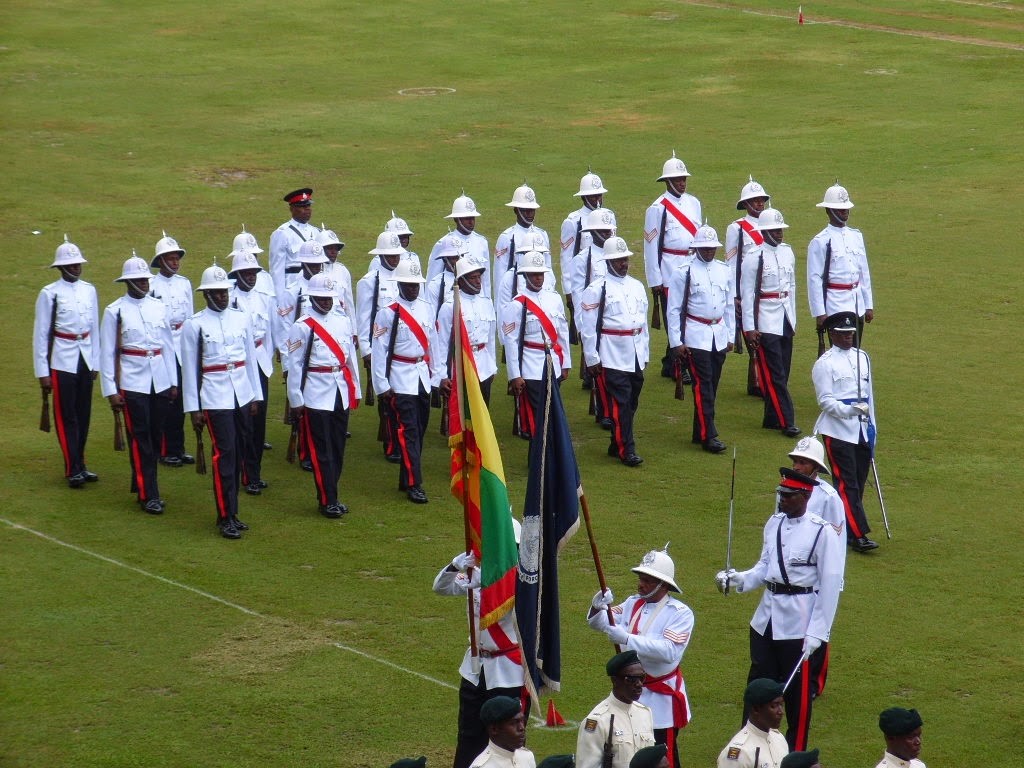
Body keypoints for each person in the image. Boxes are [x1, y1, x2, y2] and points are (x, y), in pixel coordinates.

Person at [716, 468, 845, 751]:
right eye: (780, 494)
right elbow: (766, 567)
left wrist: (817, 633)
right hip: (766, 620)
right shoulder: (773, 523)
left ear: (805, 496)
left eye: (787, 495)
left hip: (799, 623)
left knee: (797, 696)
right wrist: (740, 579)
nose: (781, 500)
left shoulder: (822, 532)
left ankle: (795, 752)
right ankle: (747, 745)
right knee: (758, 687)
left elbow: (830, 585)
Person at [588, 547, 694, 768]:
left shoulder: (680, 613)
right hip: (631, 693)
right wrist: (597, 606)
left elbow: (669, 652)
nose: (640, 584)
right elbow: (600, 624)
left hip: (660, 701)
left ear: (662, 584)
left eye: (646, 580)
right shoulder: (631, 603)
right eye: (640, 578)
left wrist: (627, 638)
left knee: (663, 759)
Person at [181, 264, 262, 539]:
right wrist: (193, 408)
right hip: (215, 397)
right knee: (224, 455)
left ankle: (232, 512)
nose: (223, 296)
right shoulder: (195, 325)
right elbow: (190, 370)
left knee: (239, 453)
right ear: (206, 295)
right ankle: (225, 515)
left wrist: (255, 396)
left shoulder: (241, 319)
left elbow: (250, 359)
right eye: (216, 292)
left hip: (241, 392)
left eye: (225, 291)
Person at [433, 537, 526, 768]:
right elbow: (440, 587)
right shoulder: (476, 573)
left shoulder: (522, 579)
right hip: (475, 666)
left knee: (507, 738)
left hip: (506, 668)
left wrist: (485, 586)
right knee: (468, 734)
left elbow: (511, 608)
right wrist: (456, 565)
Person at [100, 255, 177, 514]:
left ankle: (143, 480)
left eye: (145, 279)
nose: (144, 283)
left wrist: (173, 381)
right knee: (141, 437)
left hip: (159, 379)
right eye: (138, 280)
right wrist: (110, 390)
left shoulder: (158, 307)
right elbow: (108, 353)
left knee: (156, 436)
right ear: (128, 283)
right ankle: (149, 494)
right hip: (133, 383)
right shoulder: (115, 311)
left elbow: (167, 345)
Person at [287, 272, 361, 519]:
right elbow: (295, 365)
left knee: (338, 447)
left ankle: (331, 493)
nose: (327, 302)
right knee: (322, 451)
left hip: (339, 389)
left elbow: (350, 360)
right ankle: (327, 498)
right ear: (313, 297)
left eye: (330, 297)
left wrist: (356, 390)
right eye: (322, 297)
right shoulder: (302, 326)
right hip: (315, 393)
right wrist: (296, 399)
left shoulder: (342, 321)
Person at [33, 236, 100, 488]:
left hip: (84, 356)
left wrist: (95, 362)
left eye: (78, 264)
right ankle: (72, 467)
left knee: (84, 414)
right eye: (70, 265)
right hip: (62, 359)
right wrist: (43, 371)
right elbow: (41, 334)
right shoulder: (50, 294)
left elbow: (95, 326)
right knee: (66, 415)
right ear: (61, 267)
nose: (76, 267)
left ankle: (80, 462)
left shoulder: (89, 290)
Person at [371, 260, 439, 504]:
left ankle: (406, 478)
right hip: (400, 377)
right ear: (399, 284)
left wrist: (438, 376)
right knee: (408, 430)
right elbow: (379, 350)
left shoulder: (426, 308)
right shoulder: (387, 312)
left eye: (416, 285)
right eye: (408, 285)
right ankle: (414, 483)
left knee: (419, 431)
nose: (413, 289)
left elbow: (435, 343)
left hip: (422, 375)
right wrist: (382, 384)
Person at [578, 236, 650, 467]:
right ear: (608, 261)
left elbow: (643, 323)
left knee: (632, 400)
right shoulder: (596, 289)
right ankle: (626, 449)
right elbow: (588, 326)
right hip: (611, 352)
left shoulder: (637, 285)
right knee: (620, 401)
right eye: (618, 260)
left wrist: (645, 352)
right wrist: (592, 357)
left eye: (625, 259)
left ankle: (616, 441)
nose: (623, 264)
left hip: (635, 351)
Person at [810, 311, 878, 553]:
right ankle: (858, 534)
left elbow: (870, 397)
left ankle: (843, 525)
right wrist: (851, 411)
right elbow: (825, 401)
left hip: (861, 430)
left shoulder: (863, 357)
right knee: (846, 483)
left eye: (851, 333)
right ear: (832, 335)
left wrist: (872, 427)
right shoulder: (824, 364)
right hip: (837, 431)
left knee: (858, 482)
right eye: (843, 334)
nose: (848, 337)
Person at [666, 223, 735, 454]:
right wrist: (676, 342)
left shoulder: (724, 270)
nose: (708, 251)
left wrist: (731, 336)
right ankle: (709, 435)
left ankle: (700, 430)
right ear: (696, 248)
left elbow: (728, 306)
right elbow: (674, 309)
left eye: (712, 248)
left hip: (718, 334)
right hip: (696, 335)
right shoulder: (683, 272)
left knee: (711, 386)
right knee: (703, 386)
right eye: (704, 248)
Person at [740, 208, 801, 438]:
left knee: (783, 372)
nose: (779, 234)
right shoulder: (754, 257)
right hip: (765, 320)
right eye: (775, 230)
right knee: (775, 374)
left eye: (780, 229)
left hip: (784, 317)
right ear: (764, 232)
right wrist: (750, 328)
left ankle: (771, 418)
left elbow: (792, 287)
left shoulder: (788, 252)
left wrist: (792, 318)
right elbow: (747, 295)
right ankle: (787, 421)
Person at [643, 151, 702, 379]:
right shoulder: (657, 208)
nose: (682, 183)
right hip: (670, 268)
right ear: (667, 181)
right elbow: (650, 247)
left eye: (684, 178)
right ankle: (681, 366)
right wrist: (655, 279)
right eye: (678, 179)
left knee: (691, 313)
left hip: (692, 263)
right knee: (675, 316)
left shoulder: (694, 203)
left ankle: (672, 362)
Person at [501, 251, 571, 441]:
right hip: (531, 367)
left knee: (553, 415)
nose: (538, 278)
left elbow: (562, 332)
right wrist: (515, 375)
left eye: (541, 273)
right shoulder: (516, 305)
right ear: (525, 276)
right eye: (533, 274)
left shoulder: (554, 299)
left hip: (553, 363)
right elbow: (511, 341)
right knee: (539, 419)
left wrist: (566, 364)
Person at [228, 249, 278, 495]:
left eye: (254, 272)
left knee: (258, 421)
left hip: (258, 362)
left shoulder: (263, 297)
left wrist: (267, 358)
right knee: (241, 420)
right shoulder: (227, 298)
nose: (251, 277)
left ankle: (254, 472)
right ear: (236, 275)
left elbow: (270, 331)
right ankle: (241, 471)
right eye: (245, 273)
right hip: (237, 364)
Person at [357, 232, 405, 463]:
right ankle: (390, 443)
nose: (394, 258)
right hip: (381, 344)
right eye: (390, 254)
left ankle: (401, 438)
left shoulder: (407, 275)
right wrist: (366, 350)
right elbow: (364, 317)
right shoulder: (369, 281)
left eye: (396, 254)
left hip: (404, 344)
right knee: (386, 397)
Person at [807, 182, 873, 344]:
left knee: (856, 351)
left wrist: (868, 304)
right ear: (829, 211)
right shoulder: (820, 241)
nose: (845, 212)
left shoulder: (856, 236)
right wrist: (820, 312)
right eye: (840, 209)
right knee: (840, 351)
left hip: (857, 302)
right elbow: (814, 279)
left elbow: (863, 272)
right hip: (835, 304)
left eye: (846, 208)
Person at [149, 232, 195, 467]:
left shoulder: (184, 283)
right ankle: (166, 449)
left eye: (177, 258)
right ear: (161, 260)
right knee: (167, 399)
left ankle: (178, 447)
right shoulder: (151, 285)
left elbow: (190, 316)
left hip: (182, 344)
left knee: (182, 400)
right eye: (171, 258)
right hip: (163, 345)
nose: (175, 262)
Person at [725, 176, 771, 397]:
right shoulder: (737, 228)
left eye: (761, 200)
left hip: (769, 287)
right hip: (747, 288)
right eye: (755, 200)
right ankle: (758, 380)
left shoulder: (771, 222)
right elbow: (732, 263)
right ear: (745, 204)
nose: (759, 204)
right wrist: (735, 294)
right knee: (755, 337)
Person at [576, 650, 656, 768]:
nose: (639, 684)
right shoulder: (597, 720)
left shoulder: (645, 713)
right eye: (631, 679)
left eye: (642, 677)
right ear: (614, 681)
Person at [436, 256, 497, 404]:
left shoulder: (486, 303)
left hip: (484, 366)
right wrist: (443, 375)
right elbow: (442, 344)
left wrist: (492, 366)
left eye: (479, 277)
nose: (478, 281)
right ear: (461, 280)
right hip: (460, 365)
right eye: (473, 278)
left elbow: (490, 339)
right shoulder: (450, 306)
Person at [428, 193, 490, 300]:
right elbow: (433, 276)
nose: (471, 222)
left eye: (473, 218)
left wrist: (488, 301)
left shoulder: (482, 242)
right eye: (467, 218)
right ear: (456, 219)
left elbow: (486, 279)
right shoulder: (444, 243)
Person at [715, 679, 789, 768]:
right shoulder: (740, 753)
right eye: (774, 706)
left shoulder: (778, 738)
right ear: (756, 709)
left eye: (781, 704)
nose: (781, 712)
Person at [494, 183, 549, 300]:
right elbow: (500, 275)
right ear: (516, 210)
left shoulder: (542, 235)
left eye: (532, 210)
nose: (530, 214)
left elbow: (547, 269)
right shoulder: (506, 237)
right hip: (517, 296)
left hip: (541, 295)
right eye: (525, 211)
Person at [269, 187, 319, 299]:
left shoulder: (317, 232)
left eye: (308, 206)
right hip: (293, 288)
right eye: (302, 206)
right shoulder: (282, 233)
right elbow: (277, 269)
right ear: (292, 209)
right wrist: (280, 298)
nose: (307, 209)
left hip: (315, 287)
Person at [469, 696, 535, 768]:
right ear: (494, 729)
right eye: (514, 723)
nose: (522, 728)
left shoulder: (527, 756)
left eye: (522, 720)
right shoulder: (484, 766)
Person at [317, 226, 356, 316]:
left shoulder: (343, 271)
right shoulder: (313, 272)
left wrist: (353, 329)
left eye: (336, 248)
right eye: (329, 248)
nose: (334, 252)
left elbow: (349, 304)